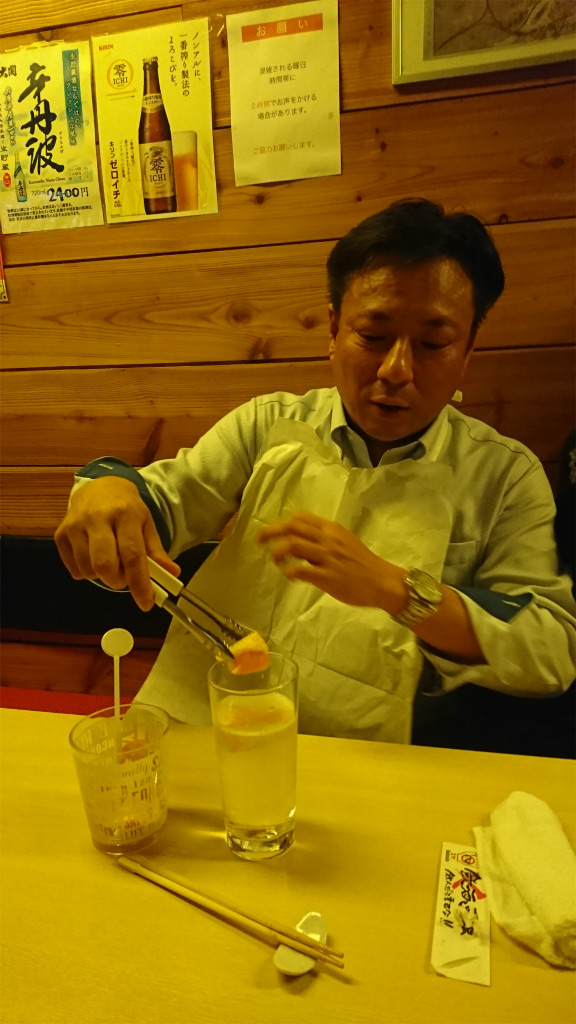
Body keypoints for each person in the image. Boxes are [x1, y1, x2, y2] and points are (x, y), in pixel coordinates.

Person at [55, 199, 576, 742]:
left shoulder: (504, 475)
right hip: (218, 734)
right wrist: (108, 486)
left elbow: (553, 650)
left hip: (385, 766)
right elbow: (166, 499)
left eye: (433, 344)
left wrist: (399, 591)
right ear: (333, 329)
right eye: (372, 336)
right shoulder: (270, 425)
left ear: (466, 352)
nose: (397, 369)